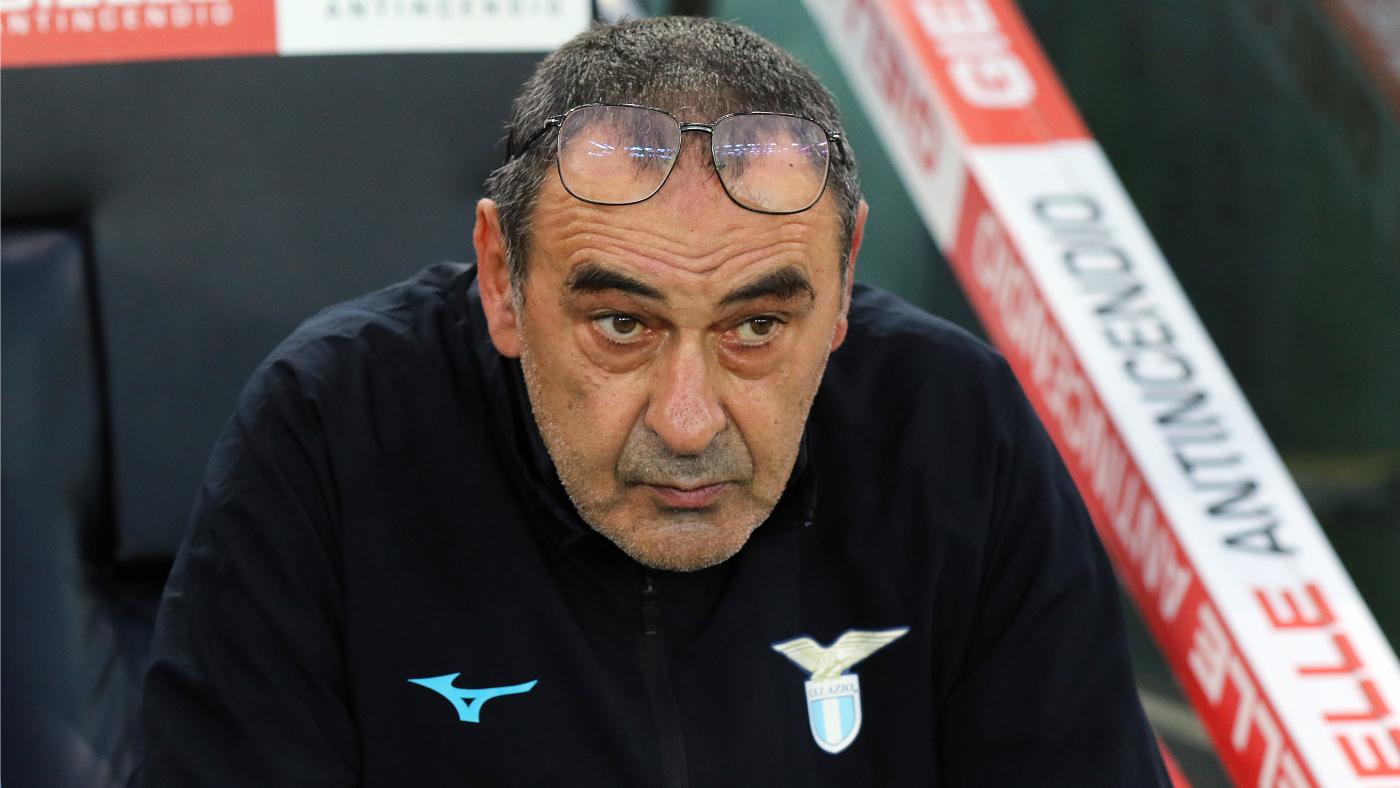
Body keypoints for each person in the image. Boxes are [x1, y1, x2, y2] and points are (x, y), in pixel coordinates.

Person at [135, 16, 1171, 787]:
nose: (687, 421)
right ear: (501, 280)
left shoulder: (954, 430)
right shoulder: (331, 429)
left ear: (844, 278)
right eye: (621, 325)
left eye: (755, 327)